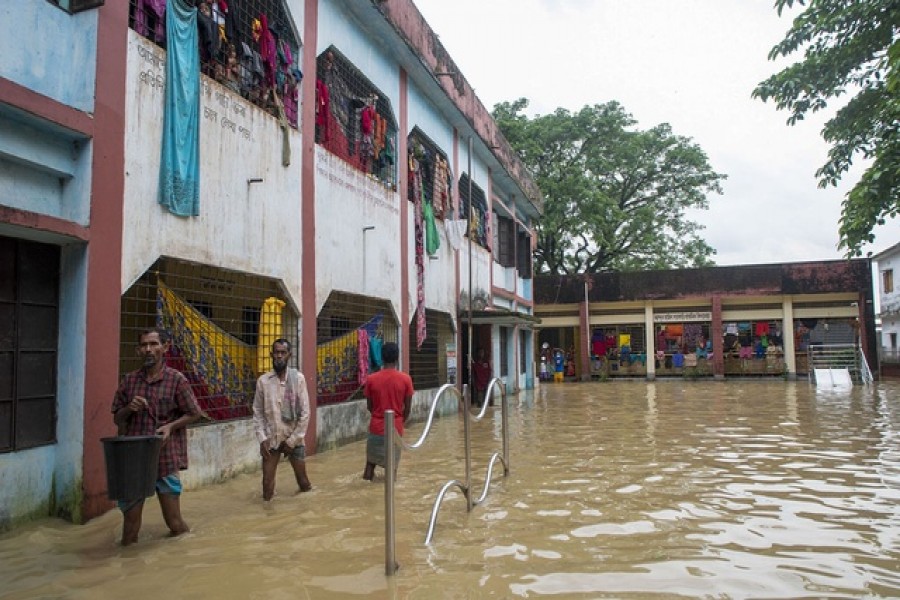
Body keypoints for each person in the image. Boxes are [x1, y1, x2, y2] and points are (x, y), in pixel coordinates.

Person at [111, 327, 202, 546]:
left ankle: (184, 555)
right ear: (138, 351)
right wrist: (129, 408)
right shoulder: (129, 381)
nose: (148, 349)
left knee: (174, 523)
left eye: (153, 344)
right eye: (144, 345)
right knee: (130, 530)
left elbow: (195, 413)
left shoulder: (177, 380)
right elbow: (117, 418)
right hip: (133, 459)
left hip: (165, 458)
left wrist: (171, 427)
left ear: (165, 348)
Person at [252, 338, 312, 501]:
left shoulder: (298, 379)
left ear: (289, 355)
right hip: (271, 439)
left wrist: (292, 441)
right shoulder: (263, 381)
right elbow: (257, 412)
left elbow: (305, 413)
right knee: (267, 487)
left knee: (304, 482)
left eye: (283, 353)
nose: (279, 356)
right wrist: (262, 438)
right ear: (271, 355)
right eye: (276, 352)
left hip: (294, 438)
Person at [362, 342, 413, 481]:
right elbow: (407, 409)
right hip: (395, 429)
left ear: (382, 358)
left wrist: (379, 416)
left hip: (376, 428)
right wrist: (399, 422)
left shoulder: (371, 379)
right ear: (397, 358)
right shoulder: (406, 379)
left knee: (369, 466)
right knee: (392, 471)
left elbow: (369, 406)